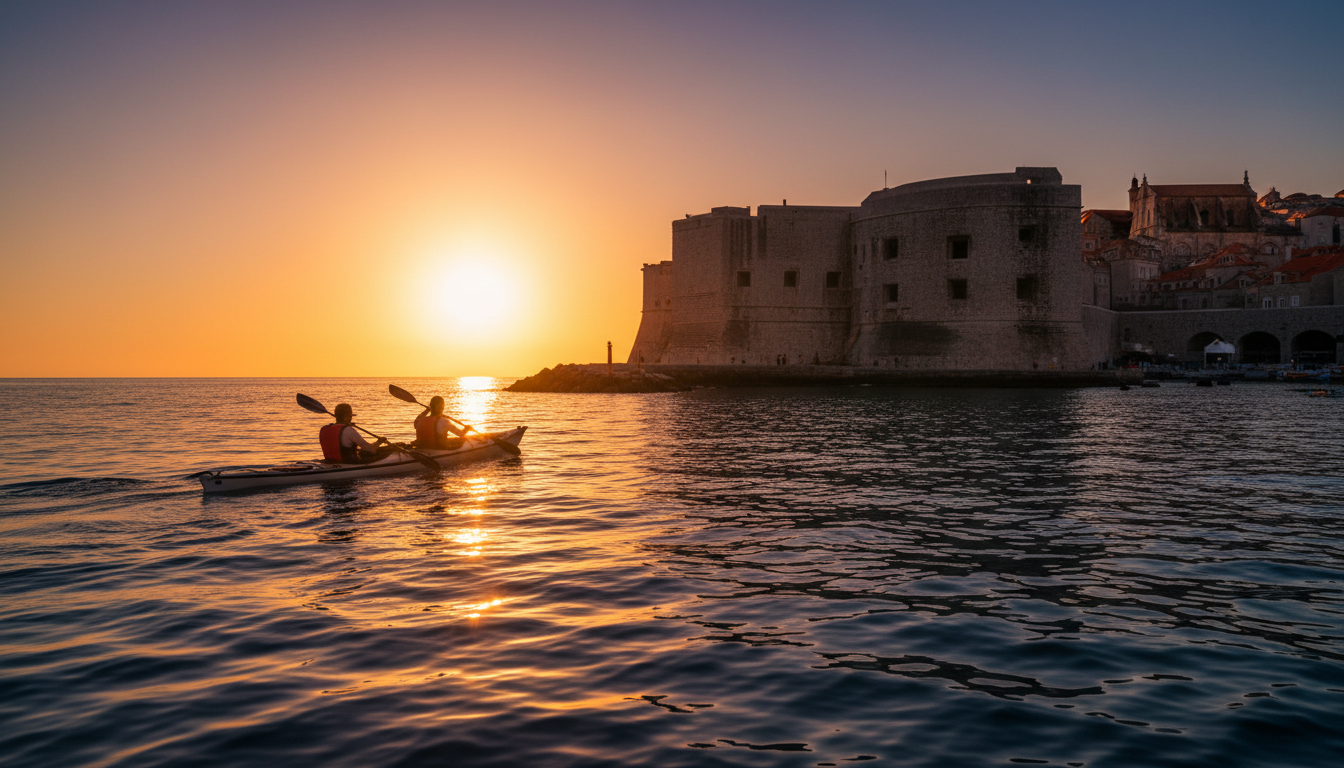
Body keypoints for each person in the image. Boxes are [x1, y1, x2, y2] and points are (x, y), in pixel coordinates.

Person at [319, 403, 392, 464]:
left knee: (362, 451)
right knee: (393, 449)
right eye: (350, 416)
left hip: (330, 462)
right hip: (349, 464)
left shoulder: (324, 429)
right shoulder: (349, 430)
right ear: (347, 417)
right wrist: (380, 441)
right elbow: (371, 449)